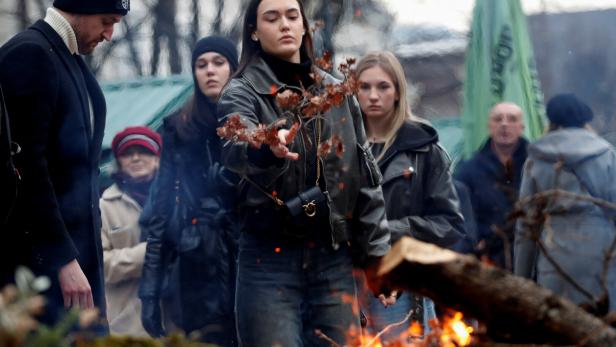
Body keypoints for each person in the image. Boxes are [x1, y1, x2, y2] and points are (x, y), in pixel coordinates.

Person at [216, 1, 391, 346]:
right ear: (253, 30)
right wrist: (265, 144)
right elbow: (234, 143)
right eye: (271, 17)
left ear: (304, 26)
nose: (284, 24)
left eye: (291, 16)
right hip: (269, 261)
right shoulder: (240, 91)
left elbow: (365, 179)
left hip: (333, 258)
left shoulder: (336, 92)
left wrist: (377, 257)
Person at [0, 0, 129, 325]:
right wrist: (63, 260)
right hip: (40, 265)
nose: (110, 34)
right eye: (106, 20)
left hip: (75, 251)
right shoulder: (30, 54)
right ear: (79, 8)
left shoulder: (64, 55)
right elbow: (27, 169)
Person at [355, 51, 464, 343]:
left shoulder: (424, 150)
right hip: (343, 279)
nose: (373, 95)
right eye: (364, 87)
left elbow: (449, 224)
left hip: (399, 283)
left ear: (398, 91)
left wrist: (389, 230)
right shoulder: (338, 148)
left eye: (383, 86)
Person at [138, 36, 239, 345]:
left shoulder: (255, 121)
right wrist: (150, 290)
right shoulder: (178, 127)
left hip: (248, 256)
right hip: (196, 263)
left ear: (234, 69)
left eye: (219, 63)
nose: (210, 71)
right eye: (201, 64)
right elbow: (161, 211)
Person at [514, 93, 616, 312]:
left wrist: (520, 279)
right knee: (602, 328)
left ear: (551, 120)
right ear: (585, 120)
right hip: (601, 253)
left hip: (554, 253)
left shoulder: (536, 158)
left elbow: (526, 223)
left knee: (559, 325)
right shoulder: (606, 154)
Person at [100, 126, 161, 336]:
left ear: (157, 158)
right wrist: (150, 252)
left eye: (144, 151)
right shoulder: (103, 206)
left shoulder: (177, 200)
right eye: (127, 153)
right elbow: (101, 265)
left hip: (175, 322)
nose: (136, 158)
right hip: (127, 326)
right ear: (118, 161)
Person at [455, 102, 528, 269]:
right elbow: (460, 215)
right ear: (489, 125)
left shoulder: (537, 166)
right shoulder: (469, 170)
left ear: (521, 126)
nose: (504, 124)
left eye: (512, 119)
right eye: (498, 119)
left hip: (530, 258)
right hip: (488, 262)